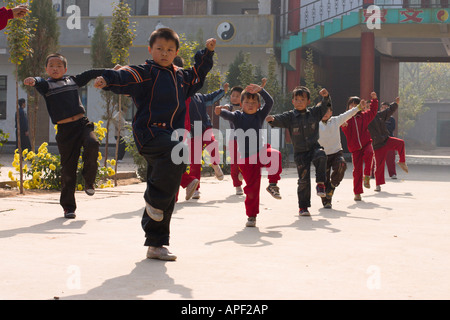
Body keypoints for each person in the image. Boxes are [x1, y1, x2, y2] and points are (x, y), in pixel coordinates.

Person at [94, 28, 215, 261]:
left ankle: (156, 244)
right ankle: (153, 201)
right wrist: (107, 79)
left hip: (171, 137)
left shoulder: (181, 77)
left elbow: (198, 75)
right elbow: (125, 76)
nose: (164, 53)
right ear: (150, 49)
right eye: (159, 48)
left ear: (176, 52)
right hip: (149, 133)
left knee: (169, 190)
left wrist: (207, 53)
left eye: (170, 50)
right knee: (175, 154)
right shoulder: (146, 72)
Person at [24, 53, 105, 219]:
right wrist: (33, 80)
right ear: (46, 69)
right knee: (68, 170)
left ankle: (89, 181)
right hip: (65, 131)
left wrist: (112, 73)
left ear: (65, 69)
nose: (55, 68)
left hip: (82, 124)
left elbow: (91, 73)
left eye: (59, 65)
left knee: (93, 143)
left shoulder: (72, 80)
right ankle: (69, 208)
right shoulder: (46, 85)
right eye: (52, 66)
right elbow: (39, 81)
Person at [216, 82, 282, 227]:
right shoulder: (238, 116)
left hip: (261, 151)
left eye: (254, 102)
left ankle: (272, 184)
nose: (250, 105)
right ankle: (251, 216)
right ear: (241, 103)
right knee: (252, 188)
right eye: (247, 102)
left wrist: (262, 91)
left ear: (259, 105)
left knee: (275, 155)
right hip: (246, 159)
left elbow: (270, 102)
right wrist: (220, 111)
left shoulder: (260, 115)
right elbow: (228, 115)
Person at [267, 86, 331, 216]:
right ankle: (303, 207)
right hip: (300, 152)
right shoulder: (290, 116)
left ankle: (320, 184)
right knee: (303, 180)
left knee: (321, 154)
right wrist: (271, 119)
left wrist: (326, 97)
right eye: (296, 99)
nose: (299, 102)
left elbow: (325, 106)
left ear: (308, 101)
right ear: (292, 101)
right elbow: (278, 118)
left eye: (302, 99)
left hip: (314, 147)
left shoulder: (314, 113)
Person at [179, 83, 228, 200]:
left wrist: (222, 90)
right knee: (195, 163)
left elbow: (211, 97)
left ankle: (215, 165)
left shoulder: (200, 97)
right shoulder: (181, 99)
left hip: (205, 127)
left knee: (213, 143)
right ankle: (195, 190)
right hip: (192, 133)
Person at [318, 103, 363, 208]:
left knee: (342, 165)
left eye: (327, 110)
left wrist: (358, 107)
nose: (324, 113)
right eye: (321, 110)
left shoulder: (335, 120)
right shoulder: (315, 123)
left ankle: (332, 186)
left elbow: (348, 114)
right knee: (323, 180)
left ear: (331, 112)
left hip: (336, 152)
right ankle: (326, 201)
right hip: (321, 155)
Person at [341, 92, 378, 201]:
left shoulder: (364, 116)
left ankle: (367, 175)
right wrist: (344, 127)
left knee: (370, 153)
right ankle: (357, 193)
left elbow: (373, 111)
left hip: (366, 143)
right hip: (355, 148)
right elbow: (347, 133)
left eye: (355, 104)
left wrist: (374, 100)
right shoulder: (346, 118)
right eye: (351, 105)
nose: (353, 107)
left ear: (360, 106)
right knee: (357, 171)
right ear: (348, 107)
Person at [368, 97, 408, 192]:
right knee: (379, 165)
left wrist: (395, 103)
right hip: (378, 145)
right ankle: (378, 185)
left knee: (401, 143)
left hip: (386, 139)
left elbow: (389, 111)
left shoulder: (378, 115)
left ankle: (402, 161)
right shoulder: (364, 119)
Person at [224, 86, 244, 195]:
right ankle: (237, 186)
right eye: (233, 96)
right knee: (234, 163)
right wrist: (224, 107)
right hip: (233, 138)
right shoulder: (230, 108)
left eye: (237, 96)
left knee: (246, 160)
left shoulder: (246, 107)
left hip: (246, 138)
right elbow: (227, 107)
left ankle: (243, 172)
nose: (235, 98)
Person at [383, 102, 397, 179]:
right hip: (379, 141)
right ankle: (372, 173)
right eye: (383, 107)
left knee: (390, 159)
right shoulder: (378, 117)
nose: (384, 109)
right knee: (376, 159)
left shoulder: (391, 119)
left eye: (386, 108)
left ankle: (392, 174)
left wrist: (383, 129)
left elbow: (392, 128)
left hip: (389, 140)